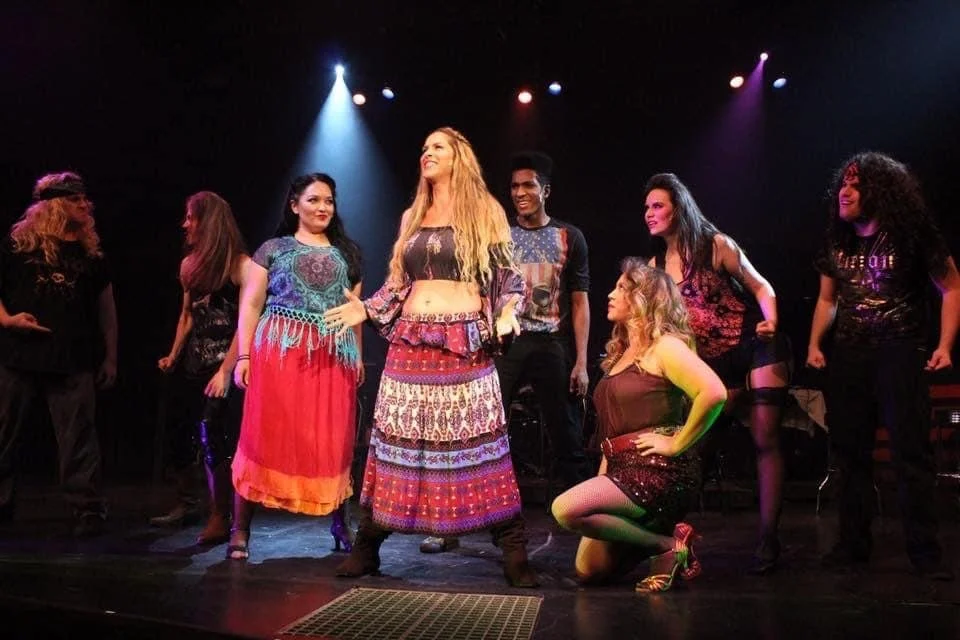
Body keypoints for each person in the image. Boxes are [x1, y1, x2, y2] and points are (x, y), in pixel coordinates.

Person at [324, 126, 538, 587]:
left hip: (464, 344)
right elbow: (399, 284)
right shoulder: (412, 216)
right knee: (396, 443)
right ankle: (369, 545)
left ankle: (513, 548)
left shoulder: (485, 212)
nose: (427, 153)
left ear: (459, 157)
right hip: (410, 345)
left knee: (480, 443)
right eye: (423, 148)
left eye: (437, 147)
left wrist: (506, 313)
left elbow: (509, 278)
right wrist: (366, 307)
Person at [419, 150, 592, 554]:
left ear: (545, 190)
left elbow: (580, 301)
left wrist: (582, 361)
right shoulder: (499, 235)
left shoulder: (570, 236)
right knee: (478, 430)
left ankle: (592, 521)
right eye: (514, 186)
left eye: (528, 185)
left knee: (567, 433)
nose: (519, 193)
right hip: (503, 344)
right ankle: (450, 524)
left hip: (550, 343)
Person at [807, 152, 959, 580]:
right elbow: (827, 298)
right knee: (850, 454)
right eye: (843, 183)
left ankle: (925, 553)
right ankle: (853, 545)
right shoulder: (836, 239)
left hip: (900, 350)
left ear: (880, 190)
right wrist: (816, 343)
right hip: (850, 354)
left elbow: (951, 286)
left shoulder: (911, 234)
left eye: (856, 184)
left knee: (910, 453)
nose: (845, 190)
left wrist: (945, 344)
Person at [643, 172, 792, 574]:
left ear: (679, 207)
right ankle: (667, 541)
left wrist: (771, 321)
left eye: (657, 205)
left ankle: (768, 538)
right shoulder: (654, 267)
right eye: (646, 207)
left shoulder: (716, 246)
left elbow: (761, 287)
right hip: (708, 366)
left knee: (765, 435)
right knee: (697, 451)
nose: (649, 213)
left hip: (753, 347)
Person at [551, 259, 726, 592]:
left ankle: (664, 547)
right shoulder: (621, 355)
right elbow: (612, 434)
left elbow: (714, 393)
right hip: (622, 469)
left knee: (565, 509)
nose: (611, 294)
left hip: (658, 470)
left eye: (622, 288)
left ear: (645, 299)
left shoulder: (665, 347)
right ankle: (663, 541)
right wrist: (603, 480)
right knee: (589, 569)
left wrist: (676, 444)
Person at [227, 172, 364, 560]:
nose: (322, 208)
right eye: (314, 200)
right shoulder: (273, 249)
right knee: (262, 435)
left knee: (332, 442)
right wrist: (244, 356)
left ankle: (341, 523)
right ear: (294, 205)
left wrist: (356, 356)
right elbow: (251, 304)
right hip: (279, 356)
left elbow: (354, 311)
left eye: (329, 201)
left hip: (332, 357)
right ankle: (240, 530)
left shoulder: (347, 254)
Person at [0, 171, 117, 537]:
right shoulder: (18, 247)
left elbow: (107, 310)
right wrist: (7, 320)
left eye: (85, 199)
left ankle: (87, 509)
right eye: (75, 199)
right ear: (52, 205)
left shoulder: (91, 253)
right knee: (4, 431)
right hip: (19, 354)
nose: (85, 205)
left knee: (78, 435)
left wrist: (110, 357)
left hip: (72, 356)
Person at [151, 191, 249, 545]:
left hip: (227, 368)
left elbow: (246, 324)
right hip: (196, 364)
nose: (185, 224)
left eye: (191, 217)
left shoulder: (239, 265)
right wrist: (173, 354)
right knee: (193, 438)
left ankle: (223, 515)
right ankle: (200, 505)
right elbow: (187, 315)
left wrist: (226, 370)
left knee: (217, 438)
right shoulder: (189, 265)